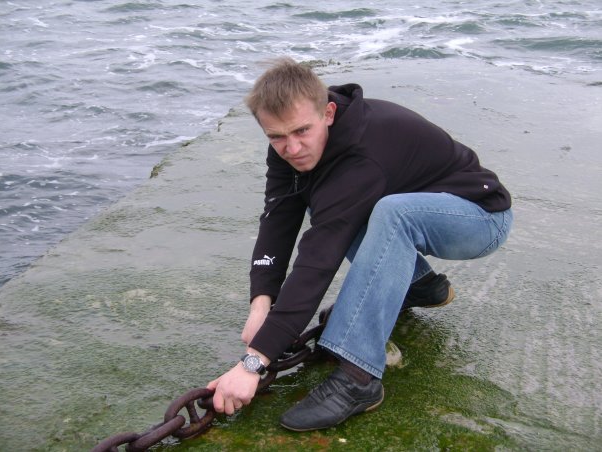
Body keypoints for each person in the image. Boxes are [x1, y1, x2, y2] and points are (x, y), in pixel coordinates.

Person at [207, 57, 513, 431]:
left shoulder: (362, 155)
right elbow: (278, 220)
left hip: (479, 217)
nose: (292, 148)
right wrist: (261, 303)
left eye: (302, 131)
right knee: (344, 206)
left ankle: (359, 376)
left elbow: (317, 262)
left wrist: (253, 362)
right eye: (277, 137)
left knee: (390, 213)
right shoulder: (291, 146)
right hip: (417, 203)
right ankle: (420, 287)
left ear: (328, 113)